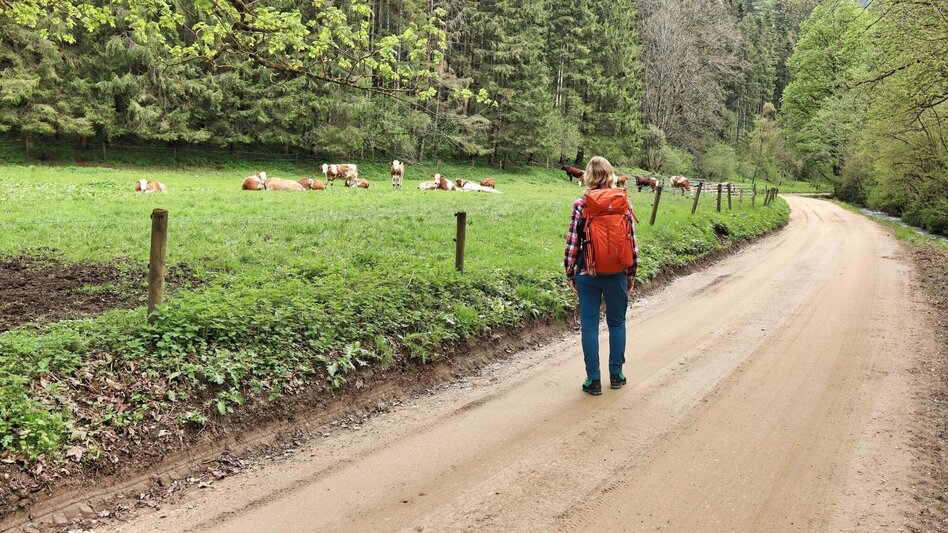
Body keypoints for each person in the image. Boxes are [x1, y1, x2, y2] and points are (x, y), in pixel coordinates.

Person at [564, 156, 638, 396]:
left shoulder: (581, 204)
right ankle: (616, 375)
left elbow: (573, 242)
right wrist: (631, 272)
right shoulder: (623, 202)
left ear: (588, 176)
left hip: (588, 271)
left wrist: (570, 272)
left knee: (589, 326)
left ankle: (593, 380)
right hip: (617, 271)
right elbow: (632, 241)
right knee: (617, 323)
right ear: (610, 175)